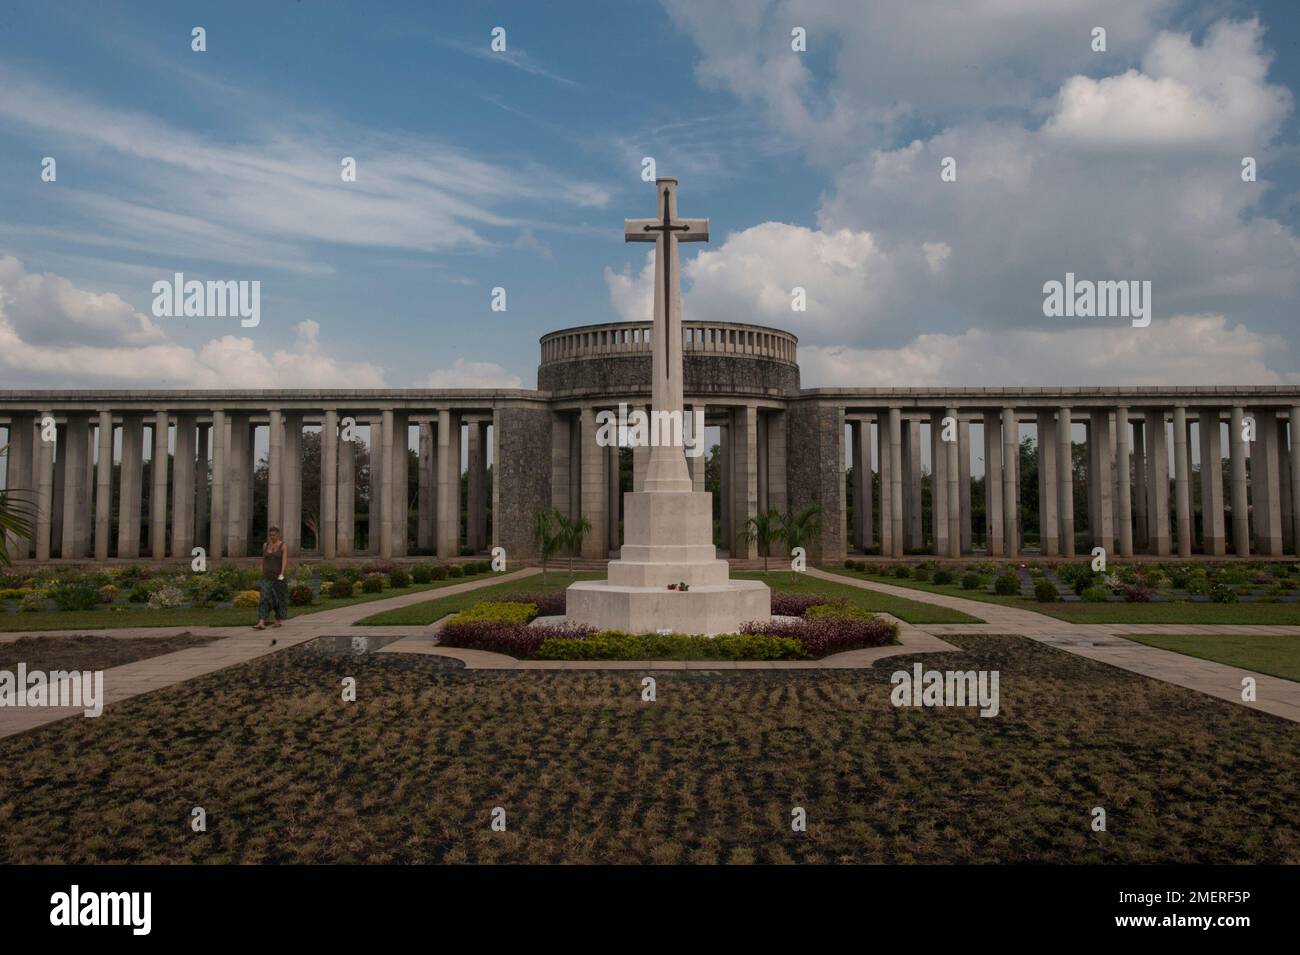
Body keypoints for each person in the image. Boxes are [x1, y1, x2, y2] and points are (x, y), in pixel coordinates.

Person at [255, 526, 289, 629]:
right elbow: (263, 560)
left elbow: (284, 560)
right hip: (267, 576)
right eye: (270, 535)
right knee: (264, 597)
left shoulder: (283, 545)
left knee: (278, 599)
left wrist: (282, 573)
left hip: (278, 577)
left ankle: (278, 620)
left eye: (273, 535)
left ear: (278, 535)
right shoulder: (265, 545)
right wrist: (262, 571)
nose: (272, 537)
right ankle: (261, 621)